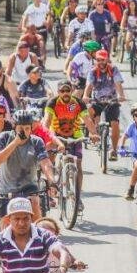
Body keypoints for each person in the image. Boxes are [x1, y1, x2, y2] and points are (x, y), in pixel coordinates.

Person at [43, 80, 99, 211]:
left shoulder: (78, 103)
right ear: (58, 92)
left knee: (78, 164)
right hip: (56, 135)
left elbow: (87, 120)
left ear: (72, 90)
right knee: (49, 161)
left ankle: (77, 197)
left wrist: (94, 133)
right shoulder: (52, 102)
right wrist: (45, 137)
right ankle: (51, 190)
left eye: (67, 90)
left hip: (75, 135)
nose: (65, 93)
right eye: (62, 91)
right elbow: (47, 121)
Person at [0, 110, 57, 222]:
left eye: (27, 128)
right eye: (20, 128)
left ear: (31, 128)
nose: (24, 132)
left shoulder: (37, 142)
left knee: (35, 204)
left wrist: (52, 181)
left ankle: (38, 235)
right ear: (14, 127)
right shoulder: (4, 137)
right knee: (5, 224)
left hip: (28, 186)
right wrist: (15, 143)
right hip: (5, 188)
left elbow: (45, 162)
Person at [83, 49, 126, 161]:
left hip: (112, 101)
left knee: (115, 124)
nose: (100, 62)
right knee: (89, 113)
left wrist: (121, 95)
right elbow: (89, 85)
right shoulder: (93, 71)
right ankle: (94, 133)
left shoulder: (113, 69)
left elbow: (117, 83)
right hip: (97, 100)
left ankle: (114, 150)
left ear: (107, 59)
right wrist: (85, 96)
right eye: (98, 60)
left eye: (102, 59)